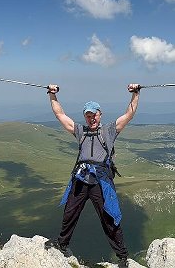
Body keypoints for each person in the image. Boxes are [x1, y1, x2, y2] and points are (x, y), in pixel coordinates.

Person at [44, 83, 140, 268]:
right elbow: (60, 115)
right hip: (81, 179)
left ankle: (122, 257)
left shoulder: (109, 131)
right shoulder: (81, 131)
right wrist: (52, 94)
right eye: (88, 115)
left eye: (94, 115)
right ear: (85, 117)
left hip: (100, 181)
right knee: (70, 212)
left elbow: (129, 114)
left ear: (100, 114)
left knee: (108, 218)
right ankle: (62, 244)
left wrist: (135, 94)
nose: (91, 118)